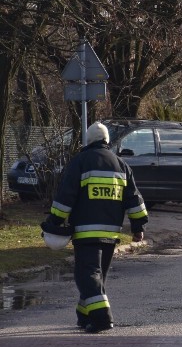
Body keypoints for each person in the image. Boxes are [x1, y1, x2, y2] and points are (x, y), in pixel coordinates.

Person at [40, 121, 148, 334]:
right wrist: (138, 226)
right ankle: (85, 316)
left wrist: (55, 221)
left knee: (86, 276)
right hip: (111, 233)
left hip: (86, 232)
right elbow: (134, 199)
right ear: (107, 141)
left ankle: (101, 319)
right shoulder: (121, 165)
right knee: (97, 277)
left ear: (88, 141)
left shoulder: (80, 162)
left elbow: (65, 196)